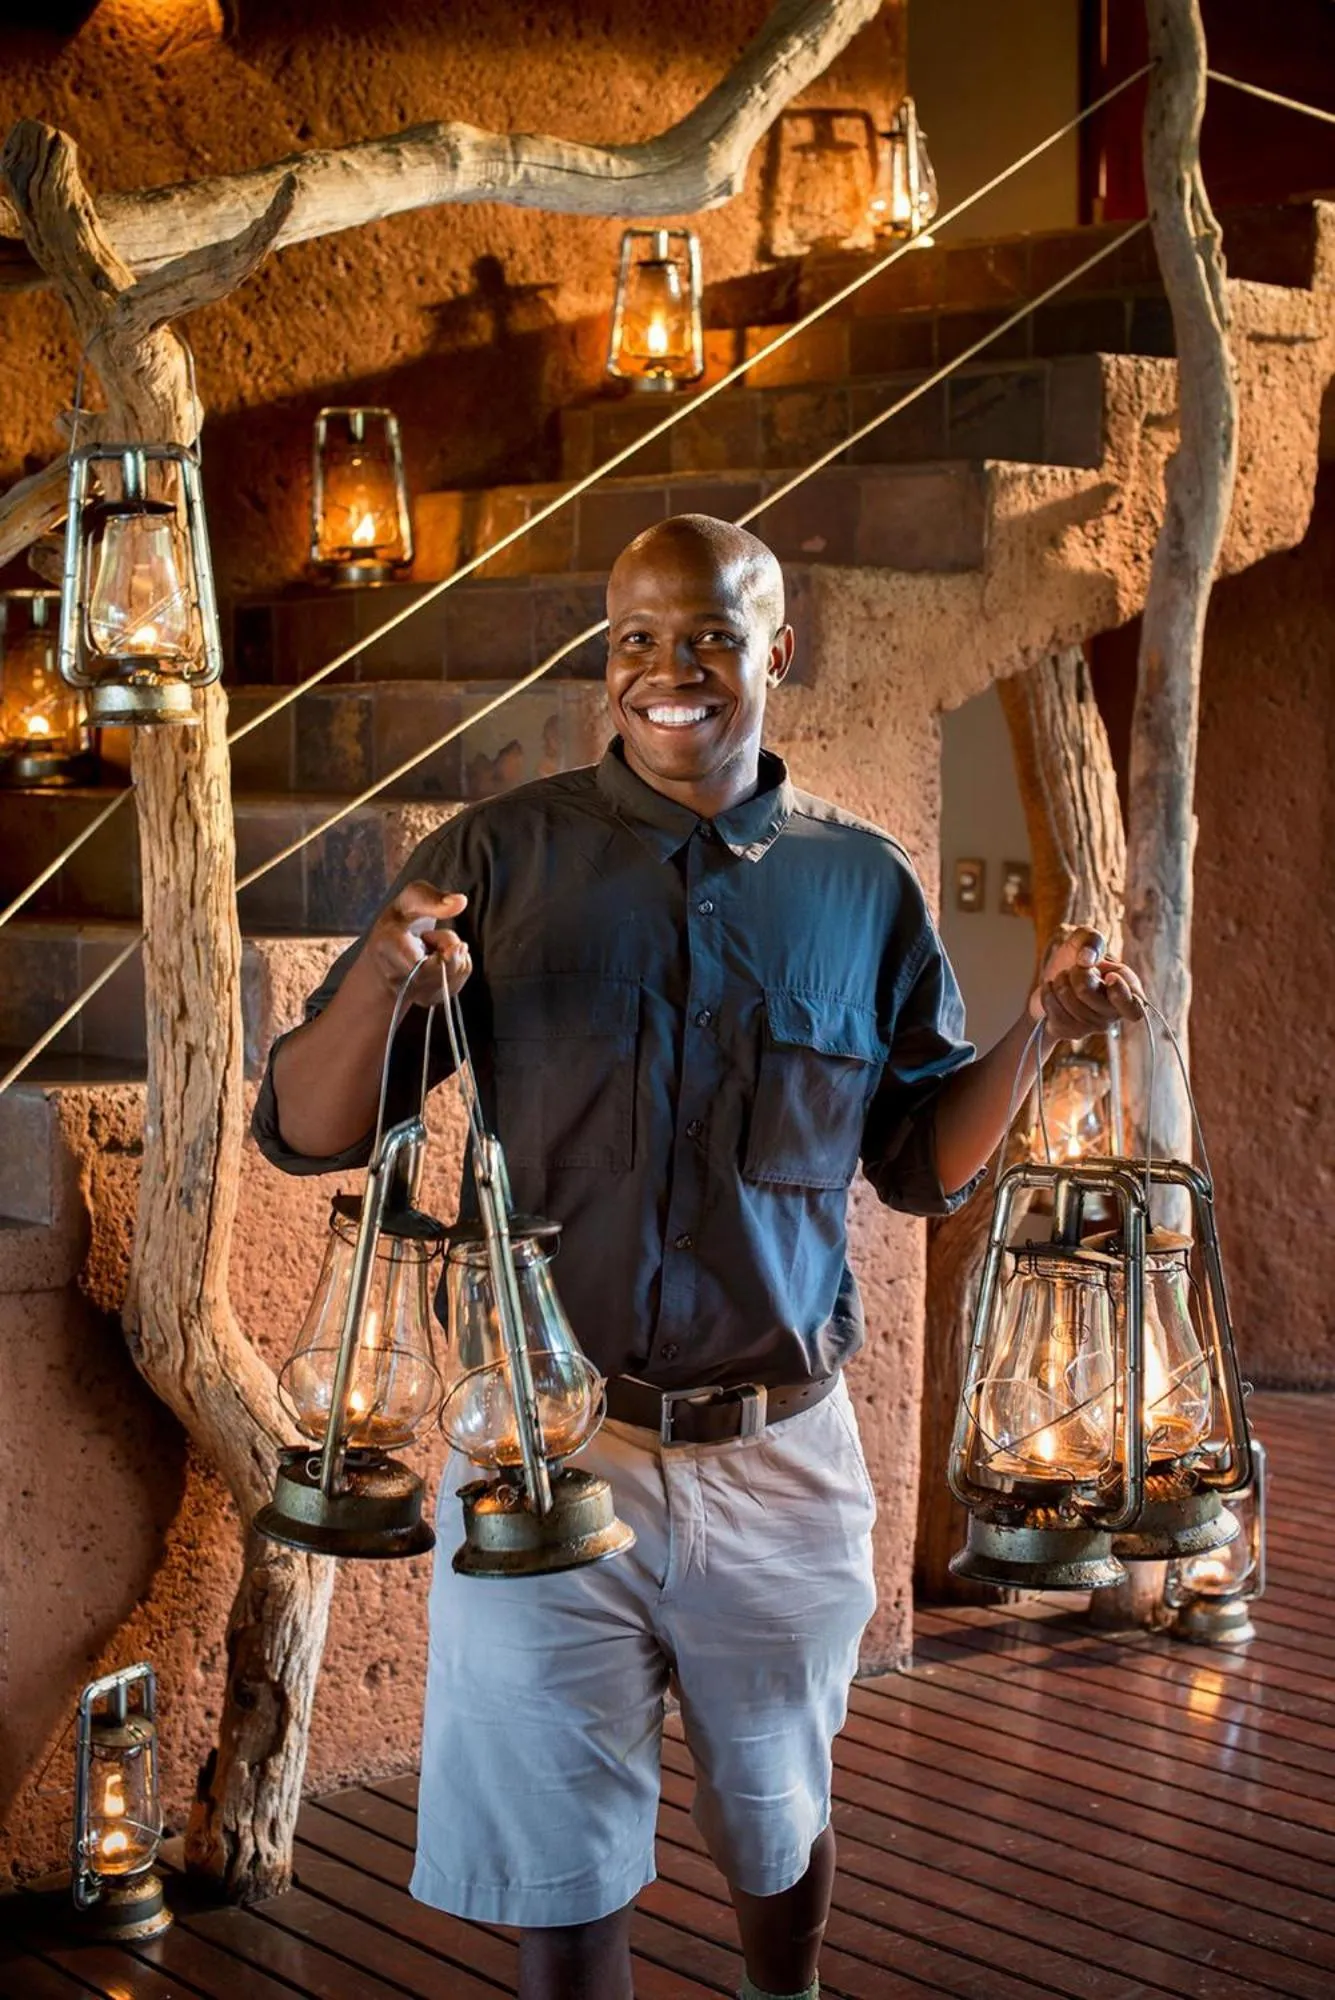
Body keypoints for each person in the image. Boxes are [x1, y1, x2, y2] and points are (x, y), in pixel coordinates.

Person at [254, 514, 1142, 2000]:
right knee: (563, 1867)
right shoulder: (492, 859)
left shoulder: (858, 889)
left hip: (778, 1457)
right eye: (636, 642)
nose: (668, 672)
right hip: (544, 1457)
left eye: (710, 639)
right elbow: (308, 1125)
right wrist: (377, 985)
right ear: (609, 662)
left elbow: (921, 1158)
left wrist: (1037, 1032)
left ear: (774, 653)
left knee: (776, 1826)